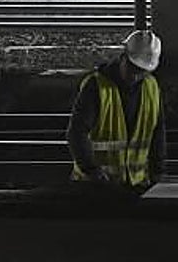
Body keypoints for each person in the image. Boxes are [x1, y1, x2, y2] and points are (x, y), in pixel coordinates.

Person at [66, 29, 167, 191]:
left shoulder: (151, 87)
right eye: (133, 68)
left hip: (136, 184)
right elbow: (77, 132)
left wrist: (158, 171)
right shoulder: (96, 86)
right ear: (123, 57)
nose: (135, 76)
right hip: (94, 187)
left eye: (141, 71)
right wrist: (91, 169)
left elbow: (158, 132)